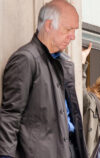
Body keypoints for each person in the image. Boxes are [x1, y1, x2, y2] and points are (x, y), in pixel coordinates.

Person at [0, 1, 87, 158]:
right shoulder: (26, 59)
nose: (73, 37)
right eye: (68, 29)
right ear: (48, 25)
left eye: (74, 31)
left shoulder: (65, 62)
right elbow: (10, 115)